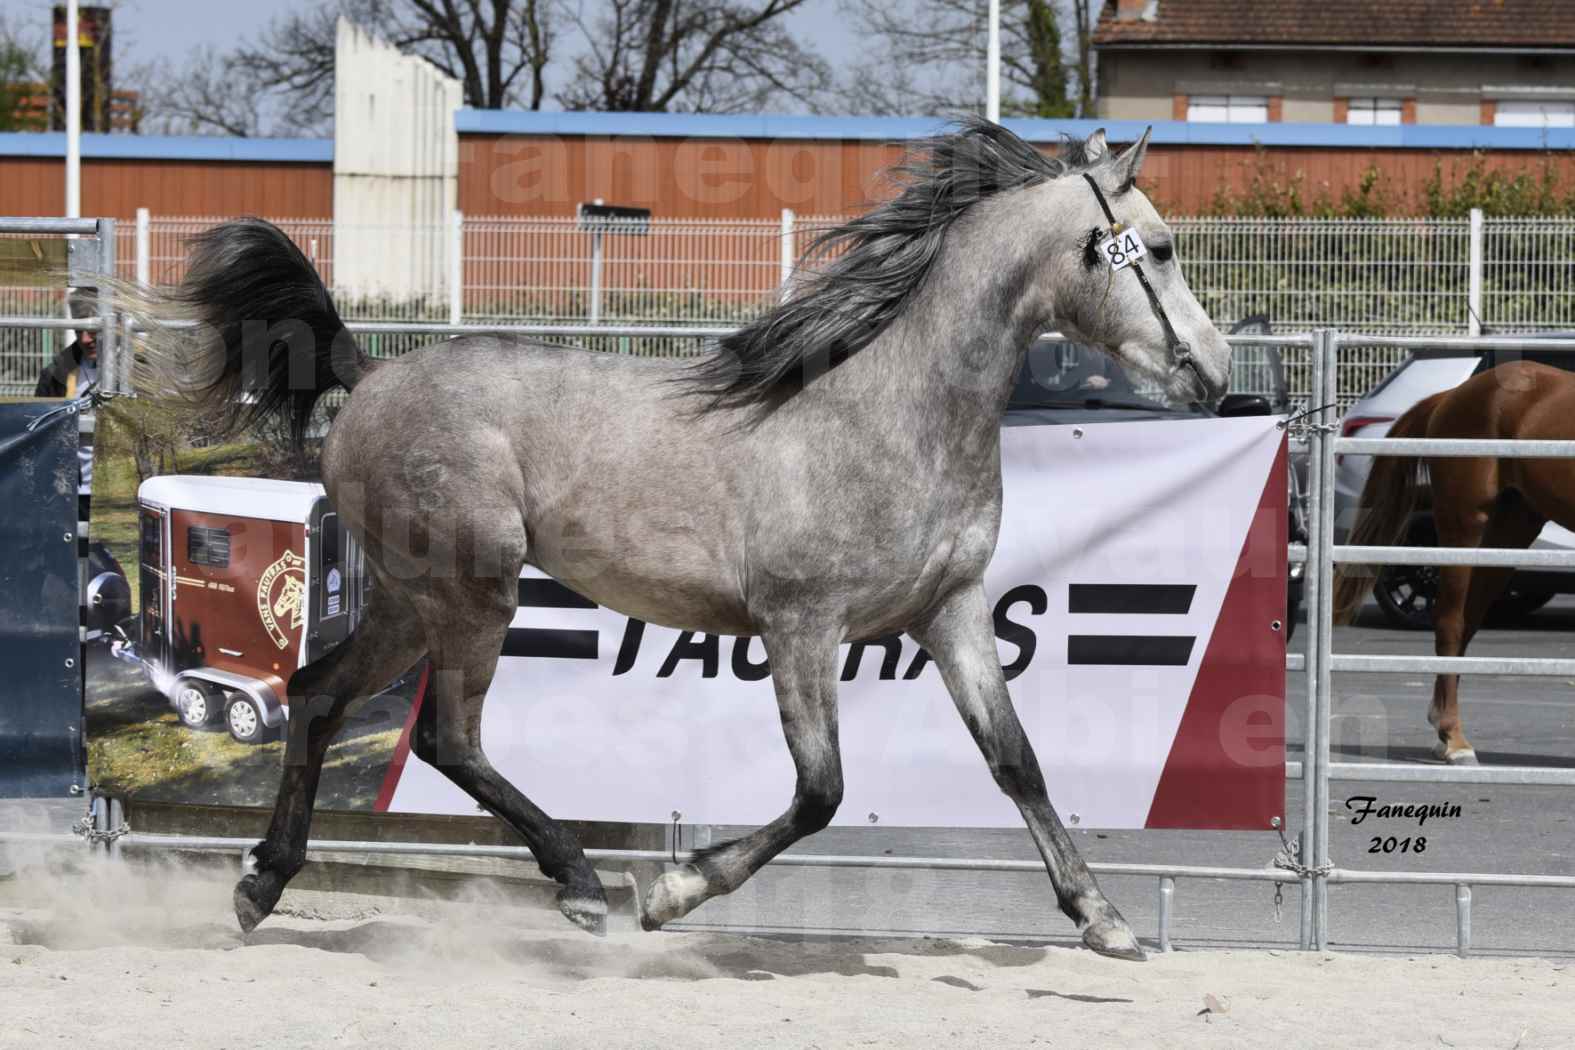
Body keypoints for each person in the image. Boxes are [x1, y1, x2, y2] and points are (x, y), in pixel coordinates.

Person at [33, 294, 99, 522]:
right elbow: (39, 433)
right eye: (79, 329)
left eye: (93, 328)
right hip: (69, 495)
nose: (86, 338)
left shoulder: (139, 368)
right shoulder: (56, 373)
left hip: (123, 498)